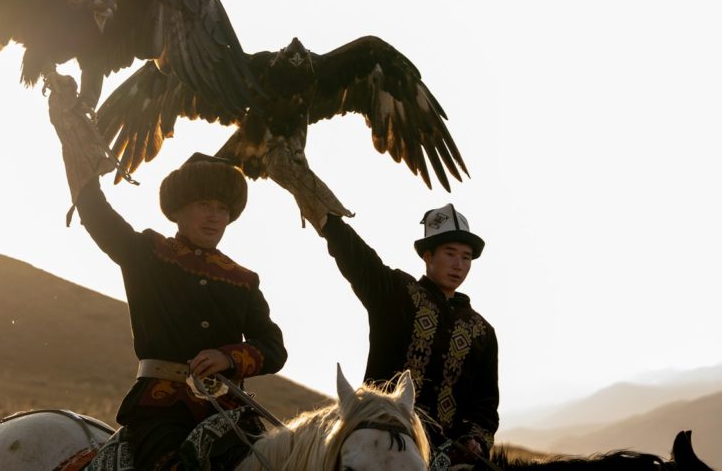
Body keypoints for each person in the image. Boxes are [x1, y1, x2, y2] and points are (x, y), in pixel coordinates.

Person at [48, 74, 287, 470]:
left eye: (222, 209)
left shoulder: (244, 280)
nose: (214, 216)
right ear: (177, 210)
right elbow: (97, 214)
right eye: (204, 205)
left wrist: (228, 357)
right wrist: (73, 137)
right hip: (160, 409)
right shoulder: (147, 253)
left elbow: (273, 347)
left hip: (231, 414)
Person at [265, 144, 497, 464]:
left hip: (451, 456)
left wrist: (476, 440)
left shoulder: (482, 331)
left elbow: (486, 403)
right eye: (450, 254)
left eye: (466, 257)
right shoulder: (395, 294)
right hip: (380, 440)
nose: (459, 264)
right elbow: (354, 253)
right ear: (427, 256)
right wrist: (308, 191)